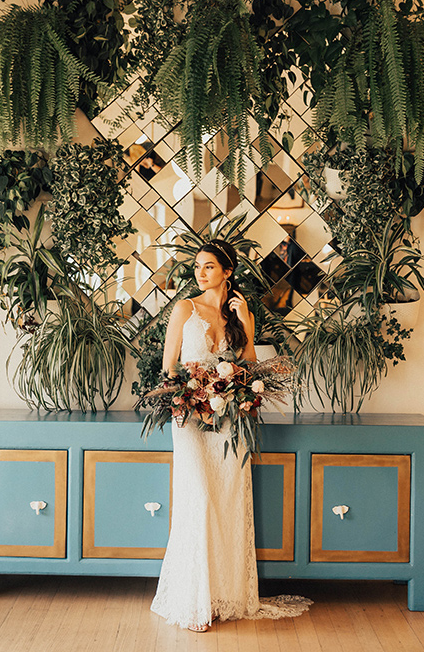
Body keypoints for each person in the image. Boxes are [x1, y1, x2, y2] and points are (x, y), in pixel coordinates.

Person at [150, 239, 312, 631]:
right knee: (199, 499)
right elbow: (168, 366)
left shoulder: (240, 314)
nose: (199, 272)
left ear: (227, 271)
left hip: (227, 421)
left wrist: (248, 327)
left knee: (227, 501)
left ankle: (224, 595)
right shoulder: (184, 309)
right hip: (190, 419)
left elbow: (250, 369)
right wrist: (184, 398)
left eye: (208, 266)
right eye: (197, 266)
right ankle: (194, 602)